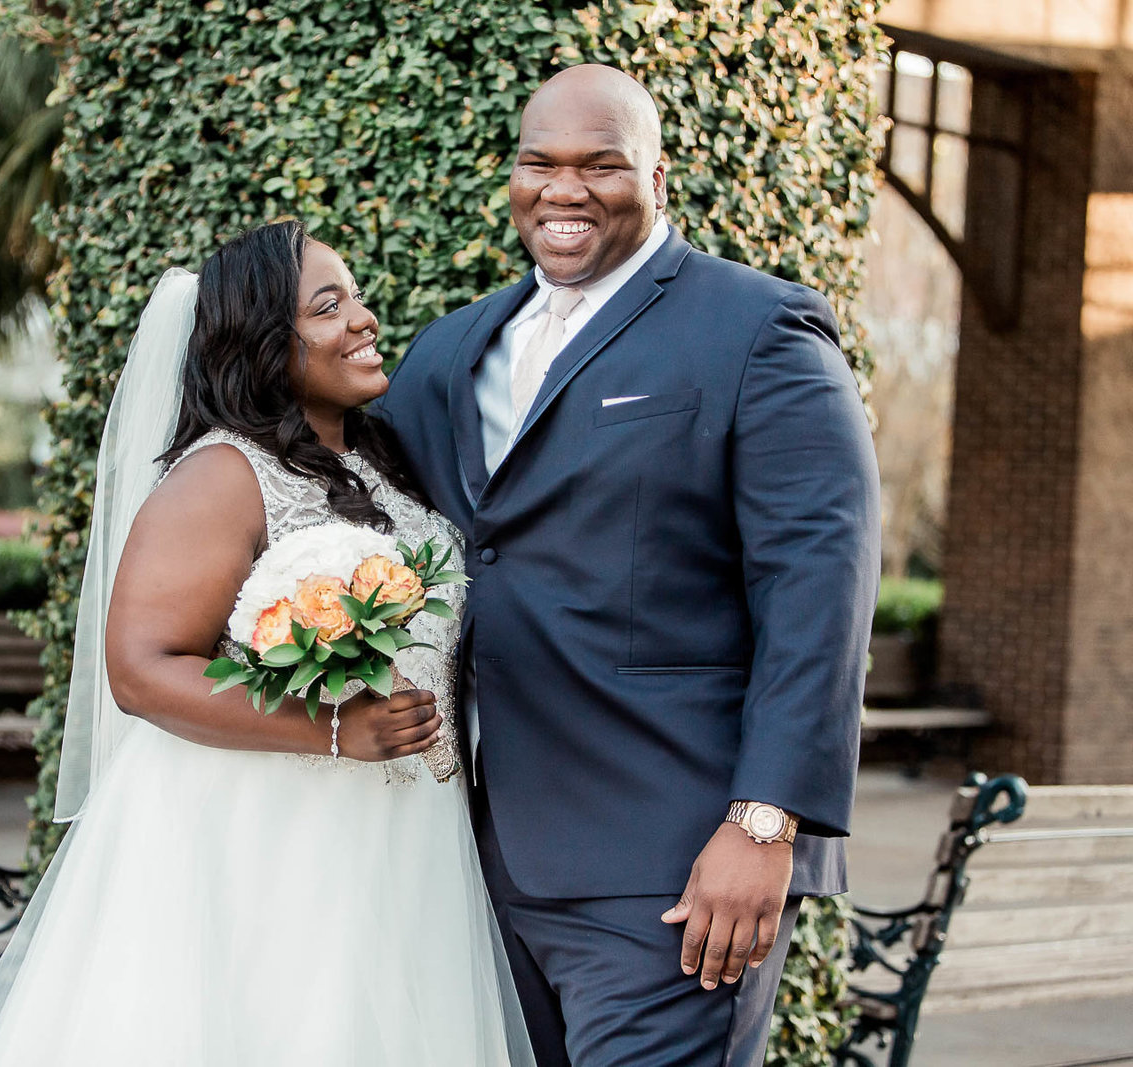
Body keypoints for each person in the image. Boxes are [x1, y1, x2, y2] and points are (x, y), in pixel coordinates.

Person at [370, 64, 881, 1066]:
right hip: (470, 858)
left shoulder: (757, 329)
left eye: (600, 163)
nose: (563, 190)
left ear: (657, 172)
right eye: (538, 164)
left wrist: (767, 821)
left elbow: (818, 582)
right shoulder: (448, 351)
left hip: (673, 863)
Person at [0, 221, 533, 1066]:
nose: (364, 319)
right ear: (261, 342)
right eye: (329, 306)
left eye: (356, 296)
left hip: (407, 832)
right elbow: (141, 671)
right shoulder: (222, 474)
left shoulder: (380, 460)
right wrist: (333, 730)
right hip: (273, 837)